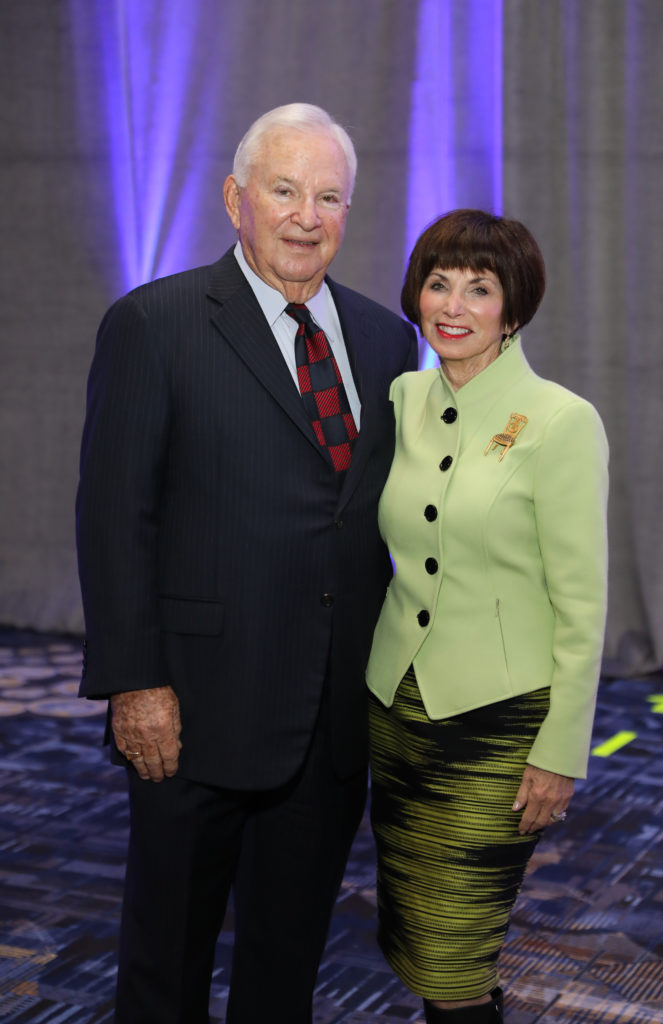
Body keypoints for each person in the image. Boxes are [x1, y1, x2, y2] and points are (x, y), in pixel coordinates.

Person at [76, 103, 417, 1024]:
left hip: (330, 716)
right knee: (166, 965)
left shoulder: (387, 339)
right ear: (236, 200)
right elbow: (114, 519)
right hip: (193, 708)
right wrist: (135, 682)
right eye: (283, 190)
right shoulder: (157, 322)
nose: (307, 215)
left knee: (287, 967)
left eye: (329, 195)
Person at [365, 209, 608, 1023]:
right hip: (397, 709)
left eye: (479, 287)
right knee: (414, 932)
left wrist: (561, 748)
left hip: (499, 722)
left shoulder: (560, 421)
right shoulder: (400, 398)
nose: (453, 304)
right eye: (438, 282)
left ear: (514, 305)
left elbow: (581, 602)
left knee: (452, 945)